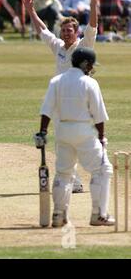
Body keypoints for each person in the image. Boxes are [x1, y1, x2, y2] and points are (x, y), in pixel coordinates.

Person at [23, 0, 100, 193]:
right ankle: (73, 181)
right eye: (64, 30)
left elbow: (92, 25)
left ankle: (99, 176)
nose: (66, 33)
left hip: (80, 100)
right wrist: (30, 10)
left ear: (76, 32)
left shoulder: (84, 46)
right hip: (60, 98)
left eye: (70, 30)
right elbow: (43, 29)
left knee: (83, 139)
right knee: (61, 140)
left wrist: (93, 2)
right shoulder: (57, 46)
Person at [34, 47, 115, 227]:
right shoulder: (89, 83)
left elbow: (46, 110)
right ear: (85, 64)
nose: (91, 69)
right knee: (102, 169)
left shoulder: (56, 80)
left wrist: (42, 133)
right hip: (84, 132)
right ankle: (99, 215)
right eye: (91, 65)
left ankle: (58, 214)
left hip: (62, 131)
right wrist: (102, 138)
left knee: (64, 173)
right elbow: (99, 115)